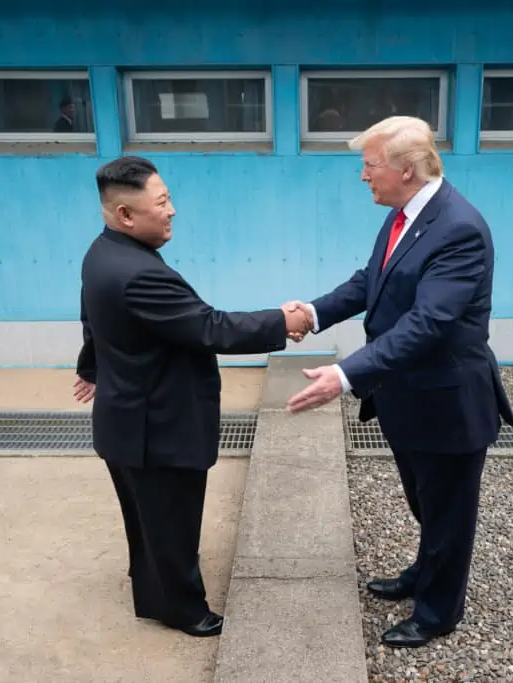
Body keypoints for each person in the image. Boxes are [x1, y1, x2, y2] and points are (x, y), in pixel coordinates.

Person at [284, 116, 513, 648]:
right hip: (407, 397)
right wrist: (312, 314)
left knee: (449, 514)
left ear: (406, 170)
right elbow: (373, 280)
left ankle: (437, 612)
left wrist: (345, 374)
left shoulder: (459, 228)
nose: (364, 177)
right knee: (425, 502)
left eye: (370, 166)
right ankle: (422, 573)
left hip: (447, 403)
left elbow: (428, 323)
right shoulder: (405, 214)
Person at [73, 155, 312, 638]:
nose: (173, 211)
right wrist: (282, 321)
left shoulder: (102, 254)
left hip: (127, 420)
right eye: (162, 203)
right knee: (172, 522)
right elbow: (209, 326)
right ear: (125, 215)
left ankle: (156, 591)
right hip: (156, 426)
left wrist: (92, 368)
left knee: (148, 519)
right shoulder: (139, 272)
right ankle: (185, 611)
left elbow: (93, 318)